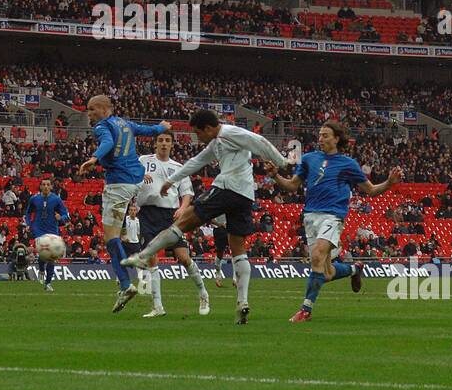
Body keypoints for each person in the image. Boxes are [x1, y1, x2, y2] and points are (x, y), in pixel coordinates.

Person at [123, 109, 291, 325]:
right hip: (245, 196)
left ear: (208, 128)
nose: (197, 137)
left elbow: (258, 141)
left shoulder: (230, 133)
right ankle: (242, 302)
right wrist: (171, 181)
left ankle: (144, 254)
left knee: (183, 221)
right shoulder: (218, 142)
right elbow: (196, 162)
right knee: (238, 248)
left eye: (198, 132)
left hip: (227, 188)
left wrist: (282, 162)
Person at [266, 121, 402, 323]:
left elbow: (371, 190)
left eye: (326, 135)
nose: (321, 138)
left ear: (337, 138)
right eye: (320, 135)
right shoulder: (310, 159)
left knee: (317, 254)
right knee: (326, 272)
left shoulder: (348, 164)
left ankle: (306, 310)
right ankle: (355, 269)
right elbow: (292, 186)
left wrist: (389, 183)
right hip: (310, 217)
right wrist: (276, 176)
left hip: (333, 216)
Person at [76, 94, 170, 313]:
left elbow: (108, 142)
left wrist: (94, 158)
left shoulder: (102, 126)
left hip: (119, 183)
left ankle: (126, 283)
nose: (89, 114)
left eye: (91, 109)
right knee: (115, 232)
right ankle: (128, 261)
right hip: (136, 180)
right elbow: (147, 131)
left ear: (102, 108)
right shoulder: (125, 123)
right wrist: (161, 126)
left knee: (111, 238)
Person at [134, 130, 209, 317]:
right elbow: (129, 175)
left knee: (183, 258)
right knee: (152, 258)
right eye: (161, 140)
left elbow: (187, 193)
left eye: (167, 140)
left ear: (172, 144)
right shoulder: (143, 161)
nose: (164, 143)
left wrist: (183, 208)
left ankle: (203, 293)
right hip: (147, 214)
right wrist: (138, 178)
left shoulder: (178, 167)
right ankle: (157, 306)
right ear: (155, 144)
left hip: (170, 216)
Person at [25, 177, 68, 292]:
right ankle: (41, 270)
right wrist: (28, 223)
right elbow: (28, 212)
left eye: (48, 184)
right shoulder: (34, 199)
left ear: (51, 186)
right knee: (42, 252)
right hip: (38, 228)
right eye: (43, 184)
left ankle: (48, 283)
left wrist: (61, 217)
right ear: (40, 186)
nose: (46, 187)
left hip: (52, 229)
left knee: (52, 257)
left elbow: (65, 214)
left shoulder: (56, 199)